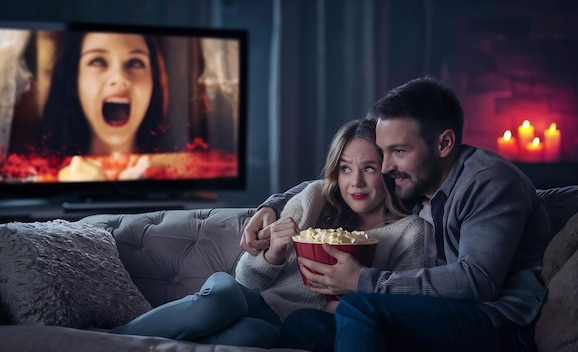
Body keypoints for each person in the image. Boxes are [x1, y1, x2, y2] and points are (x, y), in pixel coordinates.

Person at [244, 77, 553, 351]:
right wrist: (272, 205)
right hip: (432, 316)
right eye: (384, 152)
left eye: (399, 151)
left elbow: (478, 281)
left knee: (359, 308)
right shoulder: (420, 180)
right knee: (304, 324)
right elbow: (335, 183)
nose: (387, 165)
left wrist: (363, 282)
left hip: (497, 324)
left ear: (444, 143)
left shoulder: (488, 181)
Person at [108, 118, 426, 348]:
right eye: (345, 168)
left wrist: (347, 298)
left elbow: (401, 307)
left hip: (286, 326)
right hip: (249, 299)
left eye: (368, 168)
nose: (354, 182)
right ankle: (105, 340)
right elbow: (247, 282)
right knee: (223, 297)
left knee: (252, 338)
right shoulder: (315, 199)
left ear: (387, 171)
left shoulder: (409, 233)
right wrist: (273, 254)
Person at [40, 31, 168, 157]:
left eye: (135, 63)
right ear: (74, 80)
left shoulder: (174, 170)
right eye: (98, 61)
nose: (119, 78)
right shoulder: (40, 175)